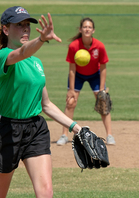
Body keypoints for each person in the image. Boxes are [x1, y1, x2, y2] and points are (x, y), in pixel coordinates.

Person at [0, 6, 82, 198]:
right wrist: (42, 40)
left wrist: (78, 129)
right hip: (8, 130)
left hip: (36, 129)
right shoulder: (3, 56)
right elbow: (21, 53)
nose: (25, 29)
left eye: (27, 25)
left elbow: (46, 104)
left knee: (46, 195)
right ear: (6, 29)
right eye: (19, 25)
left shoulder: (36, 63)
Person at [56, 17, 115, 146]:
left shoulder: (99, 46)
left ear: (93, 30)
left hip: (95, 75)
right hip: (78, 75)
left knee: (103, 102)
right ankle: (64, 135)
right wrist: (71, 90)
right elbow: (72, 69)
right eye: (84, 27)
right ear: (80, 29)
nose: (87, 29)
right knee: (71, 102)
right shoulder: (74, 46)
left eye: (89, 27)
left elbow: (103, 68)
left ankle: (109, 135)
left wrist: (101, 89)